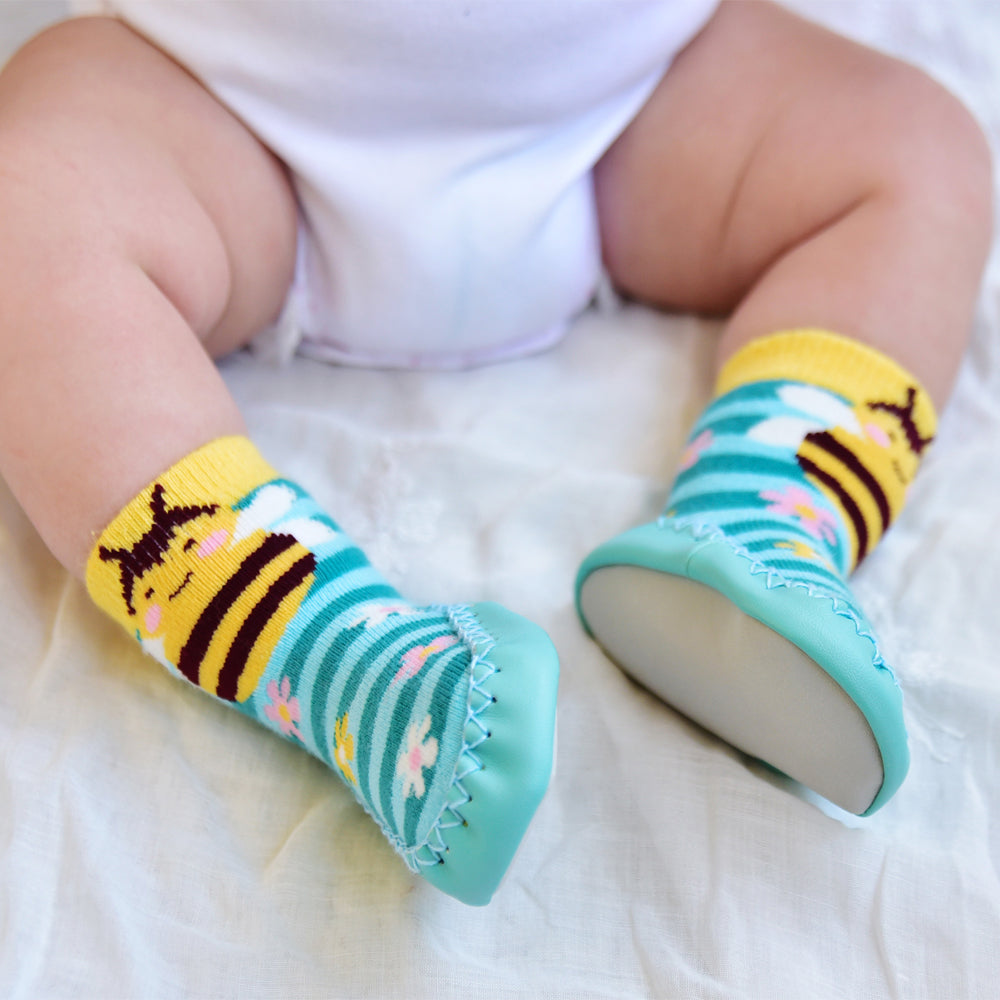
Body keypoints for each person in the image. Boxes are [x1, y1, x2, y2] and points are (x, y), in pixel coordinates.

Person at [0, 0, 991, 905]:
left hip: (627, 99)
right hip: (220, 103)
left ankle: (766, 523)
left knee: (916, 150)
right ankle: (334, 654)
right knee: (25, 206)